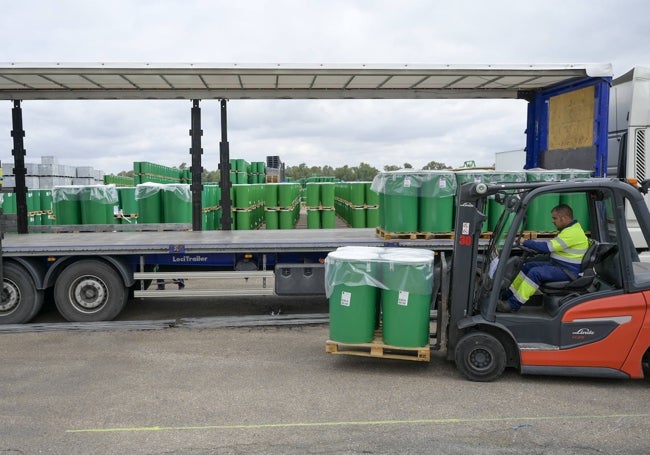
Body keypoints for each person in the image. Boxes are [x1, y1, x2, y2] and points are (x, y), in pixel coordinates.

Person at [498, 204, 589, 312]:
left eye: (554, 218)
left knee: (536, 272)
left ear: (563, 218)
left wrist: (525, 241)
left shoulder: (572, 233)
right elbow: (553, 246)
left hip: (568, 271)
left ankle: (512, 304)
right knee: (527, 266)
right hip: (559, 265)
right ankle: (507, 295)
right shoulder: (570, 229)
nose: (552, 221)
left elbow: (547, 247)